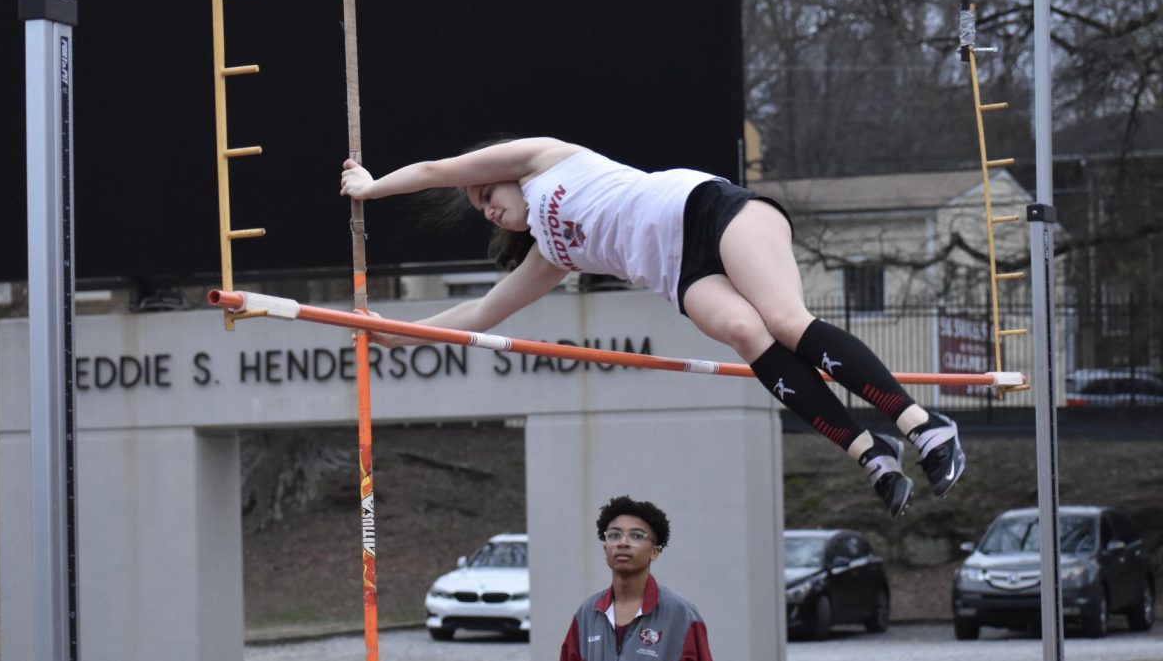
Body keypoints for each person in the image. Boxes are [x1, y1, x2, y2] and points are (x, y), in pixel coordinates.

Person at [340, 136, 965, 516]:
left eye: (485, 196)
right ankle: (870, 453)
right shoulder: (551, 257)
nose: (490, 210)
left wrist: (370, 190)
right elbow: (479, 315)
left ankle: (920, 424)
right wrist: (394, 331)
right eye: (484, 214)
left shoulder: (543, 159)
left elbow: (435, 170)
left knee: (782, 319)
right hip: (681, 275)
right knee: (750, 337)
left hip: (710, 211)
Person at [558, 495, 711, 661]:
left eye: (637, 536)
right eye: (614, 535)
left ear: (654, 552)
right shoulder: (587, 614)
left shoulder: (681, 614)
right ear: (605, 549)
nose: (623, 543)